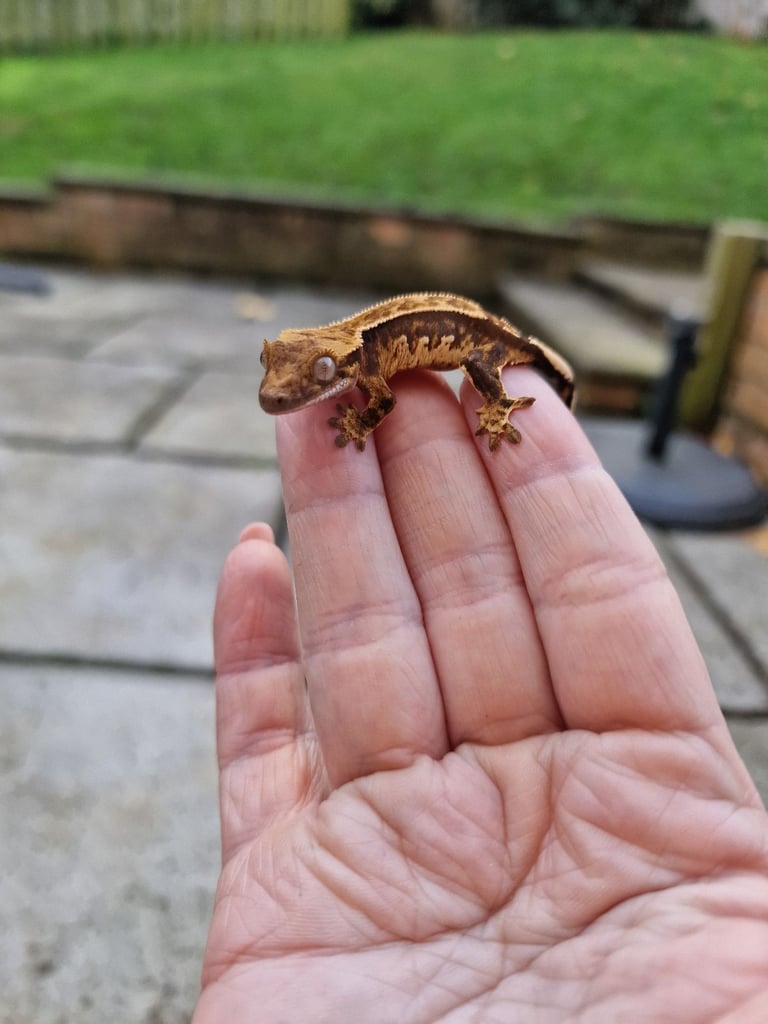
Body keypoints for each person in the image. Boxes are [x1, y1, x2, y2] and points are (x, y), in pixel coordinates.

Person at [193, 368, 768, 1023]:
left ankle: (504, 402)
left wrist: (418, 413)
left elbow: (384, 398)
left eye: (304, 386)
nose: (287, 396)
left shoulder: (376, 366)